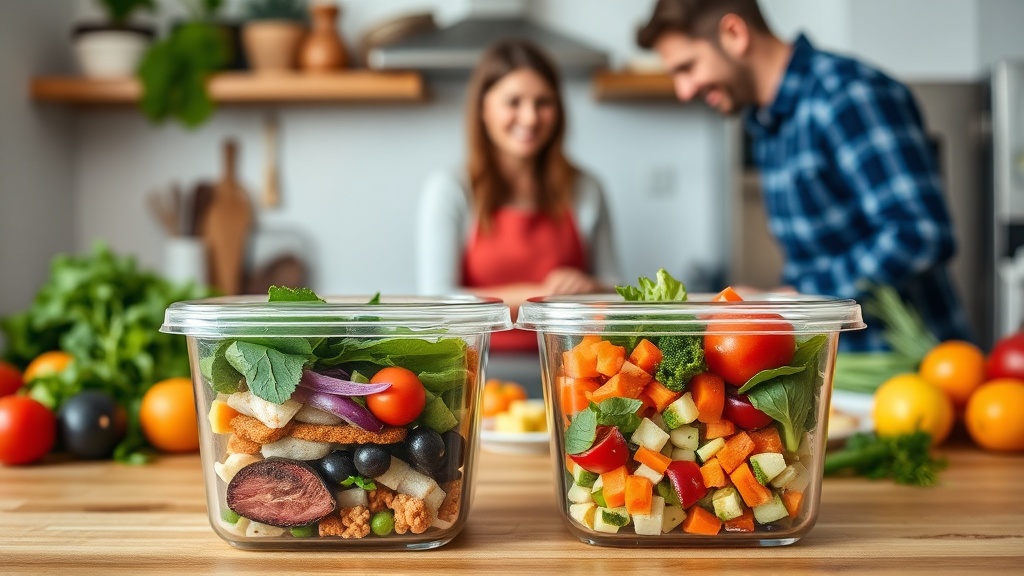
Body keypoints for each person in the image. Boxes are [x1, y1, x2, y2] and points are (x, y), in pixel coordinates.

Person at [637, 0, 973, 351]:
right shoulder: (768, 124)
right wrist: (769, 300)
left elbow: (919, 233)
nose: (684, 90)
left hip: (911, 371)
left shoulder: (846, 95)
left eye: (687, 67)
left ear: (734, 34)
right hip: (841, 365)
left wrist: (796, 299)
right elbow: (814, 263)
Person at [416, 39, 621, 356]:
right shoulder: (449, 189)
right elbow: (437, 302)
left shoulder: (587, 188)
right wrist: (540, 295)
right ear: (484, 108)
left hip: (570, 370)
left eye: (543, 102)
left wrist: (589, 286)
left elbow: (619, 293)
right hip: (473, 370)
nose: (529, 117)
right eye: (513, 102)